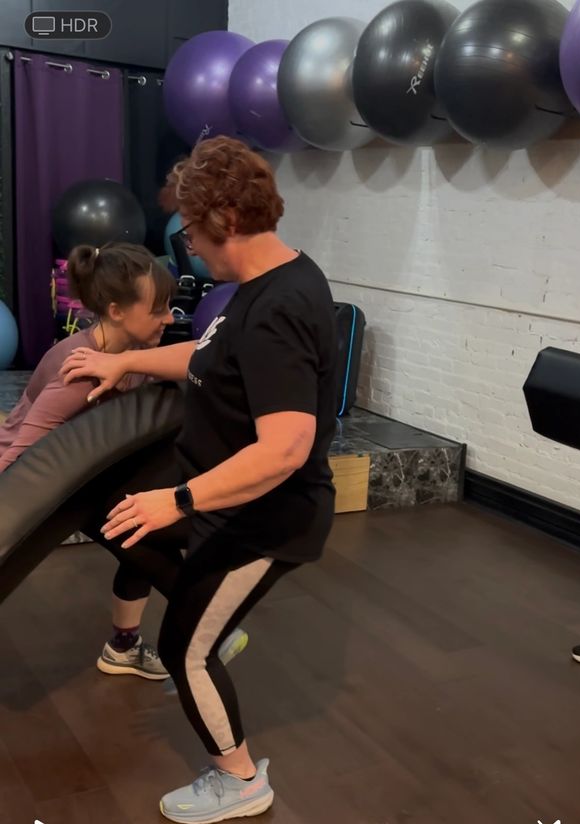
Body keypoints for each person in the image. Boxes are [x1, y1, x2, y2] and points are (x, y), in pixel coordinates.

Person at [61, 135, 338, 822]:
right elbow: (204, 357)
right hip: (221, 489)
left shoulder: (278, 308)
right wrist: (125, 363)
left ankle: (239, 779)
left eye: (189, 229)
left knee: (185, 650)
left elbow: (286, 449)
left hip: (266, 517)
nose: (187, 244)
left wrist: (178, 501)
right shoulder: (259, 286)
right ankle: (203, 610)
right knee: (108, 505)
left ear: (227, 221)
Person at [0, 242, 247, 681]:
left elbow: (206, 361)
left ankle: (128, 645)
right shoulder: (78, 373)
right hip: (40, 482)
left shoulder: (135, 356)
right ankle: (204, 625)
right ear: (116, 311)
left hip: (85, 474)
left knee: (139, 516)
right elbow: (21, 460)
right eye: (157, 310)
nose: (169, 319)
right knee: (129, 521)